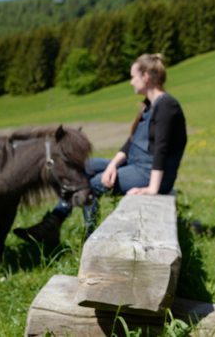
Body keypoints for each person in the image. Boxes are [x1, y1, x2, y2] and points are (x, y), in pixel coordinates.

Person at [14, 53, 187, 246]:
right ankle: (53, 223)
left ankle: (90, 238)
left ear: (145, 76)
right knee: (81, 167)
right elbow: (131, 143)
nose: (131, 82)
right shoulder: (149, 106)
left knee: (92, 185)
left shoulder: (166, 106)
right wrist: (112, 166)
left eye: (133, 76)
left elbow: (161, 149)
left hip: (150, 173)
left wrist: (153, 189)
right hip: (136, 165)